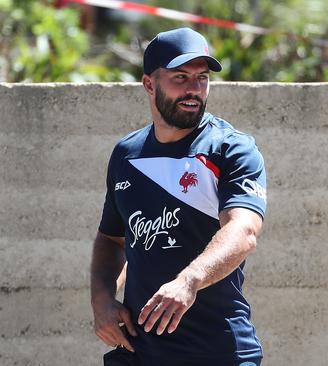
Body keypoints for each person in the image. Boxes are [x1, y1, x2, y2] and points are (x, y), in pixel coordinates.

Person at [90, 27, 267, 366]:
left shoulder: (231, 149)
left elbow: (243, 231)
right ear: (149, 84)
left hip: (218, 352)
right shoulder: (127, 154)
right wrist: (101, 300)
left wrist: (188, 281)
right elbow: (111, 239)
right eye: (180, 77)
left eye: (202, 78)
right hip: (140, 351)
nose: (194, 89)